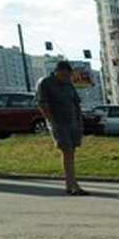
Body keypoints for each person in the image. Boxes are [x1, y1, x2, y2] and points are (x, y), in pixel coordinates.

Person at [36, 62, 88, 196]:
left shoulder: (68, 83)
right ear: (57, 71)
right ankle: (74, 184)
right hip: (59, 123)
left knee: (71, 152)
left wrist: (80, 122)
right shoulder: (46, 83)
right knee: (67, 151)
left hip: (72, 122)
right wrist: (52, 123)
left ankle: (69, 184)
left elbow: (76, 103)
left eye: (68, 75)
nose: (67, 77)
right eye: (64, 74)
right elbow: (42, 103)